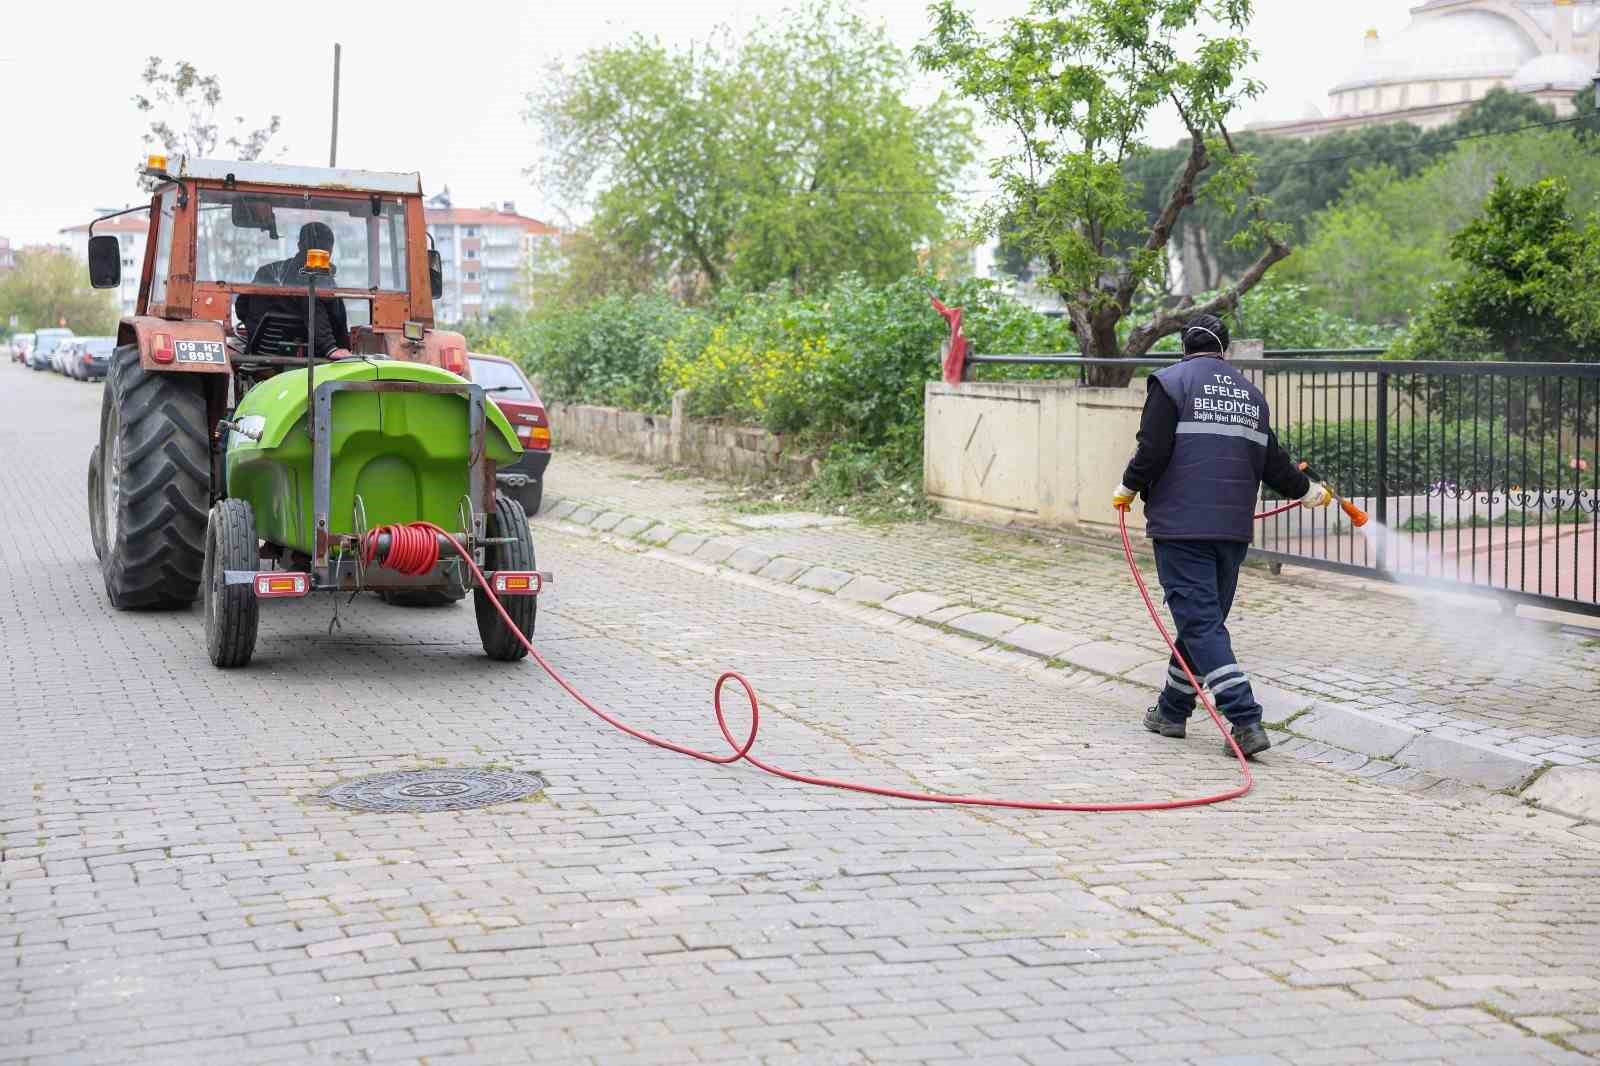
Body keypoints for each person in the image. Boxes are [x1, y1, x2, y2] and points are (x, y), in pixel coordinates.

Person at [1111, 314, 1333, 758]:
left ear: (1184, 347)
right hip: (1231, 529)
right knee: (1202, 623)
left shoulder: (1170, 383)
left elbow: (1152, 449)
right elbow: (1273, 461)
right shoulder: (1250, 394)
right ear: (1225, 349)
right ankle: (1172, 711)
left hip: (1181, 525)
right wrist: (1307, 490)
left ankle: (1245, 718)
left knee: (1201, 623)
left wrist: (1128, 486)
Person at [236, 221, 350, 357]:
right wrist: (332, 348)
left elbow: (241, 307)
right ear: (330, 251)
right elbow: (320, 311)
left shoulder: (266, 272)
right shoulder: (320, 282)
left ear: (299, 245)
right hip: (313, 361)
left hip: (259, 357)